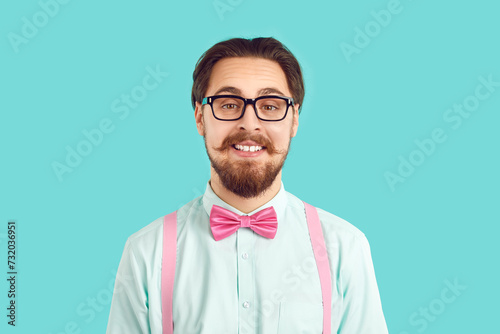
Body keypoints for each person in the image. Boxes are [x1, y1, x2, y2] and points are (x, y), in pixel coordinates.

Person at [106, 37, 389, 334]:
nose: (249, 124)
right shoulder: (146, 252)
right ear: (200, 117)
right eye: (229, 104)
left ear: (294, 119)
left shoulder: (344, 247)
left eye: (270, 105)